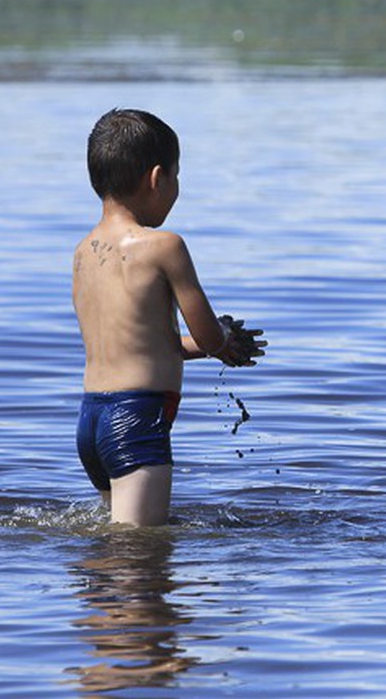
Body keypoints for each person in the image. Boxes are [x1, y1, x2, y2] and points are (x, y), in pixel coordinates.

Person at [72, 108, 265, 526]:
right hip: (137, 419)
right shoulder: (164, 247)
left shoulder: (83, 253)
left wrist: (213, 348)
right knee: (139, 558)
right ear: (157, 178)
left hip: (91, 421)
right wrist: (224, 339)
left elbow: (140, 345)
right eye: (177, 177)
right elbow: (209, 335)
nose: (177, 188)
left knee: (113, 557)